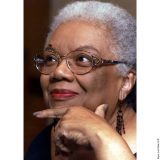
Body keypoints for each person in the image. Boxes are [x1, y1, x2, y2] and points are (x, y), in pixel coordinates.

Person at [25, 1, 136, 160]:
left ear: (125, 83)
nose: (58, 71)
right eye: (50, 58)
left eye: (83, 59)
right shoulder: (42, 144)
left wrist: (101, 135)